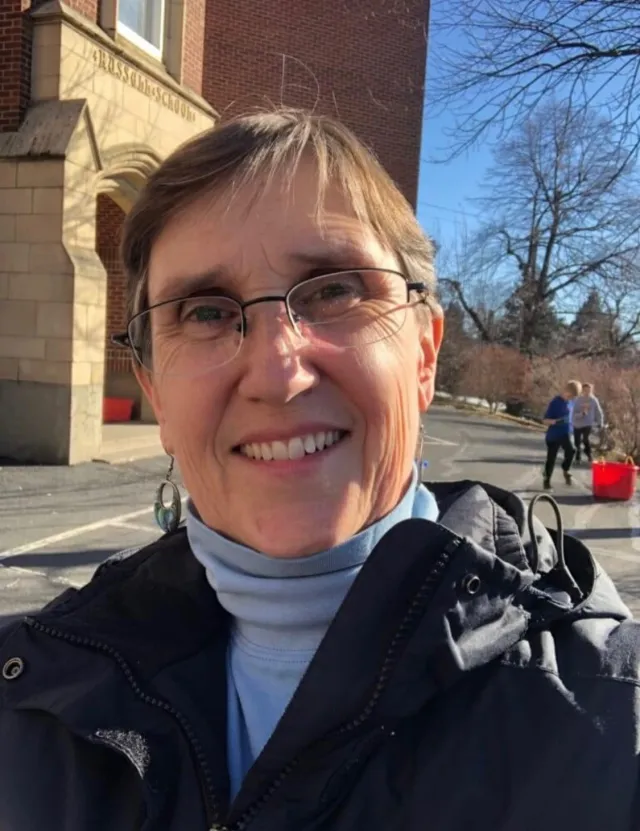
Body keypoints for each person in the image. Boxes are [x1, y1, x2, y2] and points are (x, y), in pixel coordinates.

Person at [1, 110, 640, 831]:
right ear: (155, 392)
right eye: (207, 311)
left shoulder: (615, 716)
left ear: (425, 354)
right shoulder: (28, 702)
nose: (277, 373)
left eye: (334, 290)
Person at [542, 380, 581, 490]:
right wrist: (556, 421)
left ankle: (565, 469)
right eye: (571, 395)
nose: (571, 398)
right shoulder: (555, 402)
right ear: (566, 390)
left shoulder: (571, 402)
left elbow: (571, 415)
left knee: (572, 450)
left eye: (573, 396)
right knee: (551, 458)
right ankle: (547, 480)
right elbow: (545, 420)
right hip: (554, 434)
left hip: (566, 433)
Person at [573, 382, 605, 464]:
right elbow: (574, 414)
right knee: (577, 442)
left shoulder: (594, 400)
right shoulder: (578, 400)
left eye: (589, 390)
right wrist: (582, 414)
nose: (587, 392)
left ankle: (589, 454)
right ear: (582, 391)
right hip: (577, 424)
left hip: (588, 423)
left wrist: (600, 422)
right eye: (585, 390)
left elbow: (599, 412)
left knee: (585, 439)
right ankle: (578, 455)